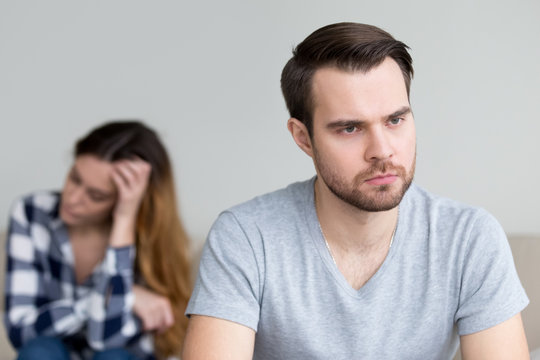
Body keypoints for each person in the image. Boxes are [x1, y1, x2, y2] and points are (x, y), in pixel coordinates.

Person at [182, 23, 530, 359]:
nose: (382, 150)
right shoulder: (246, 238)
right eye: (350, 128)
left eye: (395, 120)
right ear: (303, 138)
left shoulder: (469, 238)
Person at [4, 121, 191, 359]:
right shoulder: (31, 212)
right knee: (39, 351)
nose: (73, 198)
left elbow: (106, 339)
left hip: (120, 355)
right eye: (75, 178)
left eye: (96, 195)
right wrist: (121, 297)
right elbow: (19, 331)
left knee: (113, 357)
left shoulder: (151, 241)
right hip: (53, 353)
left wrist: (124, 221)